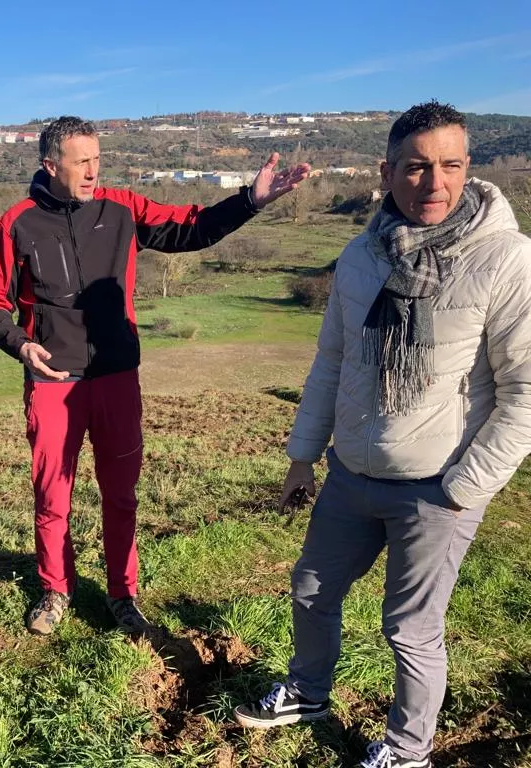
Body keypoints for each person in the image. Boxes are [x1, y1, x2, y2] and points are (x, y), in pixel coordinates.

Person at [233, 101, 531, 768]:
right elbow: (333, 361)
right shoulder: (361, 256)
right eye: (417, 167)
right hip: (352, 473)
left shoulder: (507, 260)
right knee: (310, 589)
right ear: (387, 171)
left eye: (450, 165)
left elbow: (525, 392)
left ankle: (408, 749)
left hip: (437, 487)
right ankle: (308, 693)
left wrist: (465, 487)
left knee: (410, 630)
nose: (435, 183)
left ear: (468, 168)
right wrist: (304, 457)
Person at [0, 115, 310, 635]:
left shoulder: (122, 208)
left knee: (122, 493)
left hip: (116, 379)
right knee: (51, 493)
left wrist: (250, 200)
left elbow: (191, 227)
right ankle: (55, 589)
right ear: (50, 165)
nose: (93, 170)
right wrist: (20, 346)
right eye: (81, 161)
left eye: (97, 158)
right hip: (52, 382)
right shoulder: (16, 223)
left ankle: (122, 594)